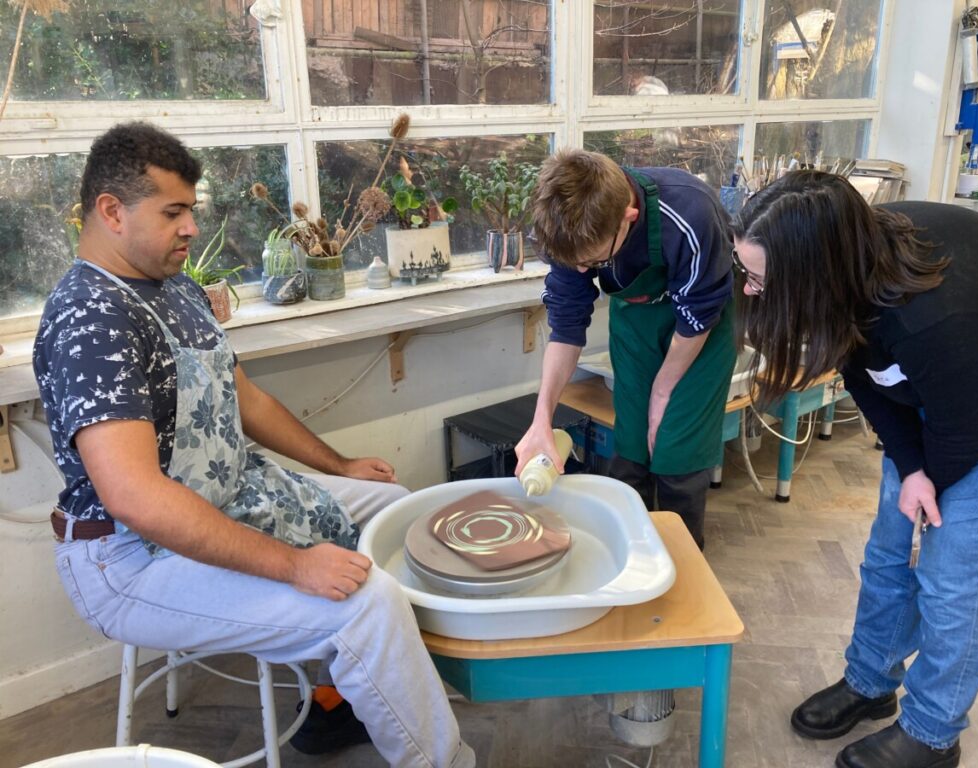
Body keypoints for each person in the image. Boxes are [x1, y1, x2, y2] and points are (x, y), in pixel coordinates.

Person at [32, 122, 475, 768]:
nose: (191, 228)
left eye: (191, 210)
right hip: (129, 558)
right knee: (366, 605)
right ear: (111, 211)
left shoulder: (175, 287)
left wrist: (342, 465)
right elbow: (136, 498)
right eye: (173, 213)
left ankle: (342, 701)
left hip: (230, 492)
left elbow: (248, 401)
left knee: (396, 507)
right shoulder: (91, 318)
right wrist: (296, 566)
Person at [732, 170, 978, 768]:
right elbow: (866, 377)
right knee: (891, 547)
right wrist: (911, 467)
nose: (750, 290)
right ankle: (870, 682)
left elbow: (969, 430)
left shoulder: (935, 314)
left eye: (759, 278)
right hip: (952, 383)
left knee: (951, 576)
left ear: (811, 273)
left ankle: (933, 732)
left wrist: (928, 482)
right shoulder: (846, 274)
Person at [516, 149, 736, 550]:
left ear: (628, 218)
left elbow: (696, 318)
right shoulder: (568, 228)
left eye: (592, 261)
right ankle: (630, 556)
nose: (582, 270)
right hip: (636, 322)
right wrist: (541, 419)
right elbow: (566, 328)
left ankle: (682, 564)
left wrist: (662, 391)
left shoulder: (691, 214)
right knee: (632, 447)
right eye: (574, 262)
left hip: (700, 332)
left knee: (677, 454)